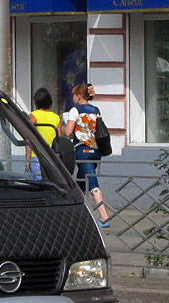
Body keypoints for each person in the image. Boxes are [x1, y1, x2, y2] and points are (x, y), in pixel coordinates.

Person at [62, 83, 110, 224]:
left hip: (82, 150)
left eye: (73, 95)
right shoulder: (96, 110)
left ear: (78, 96)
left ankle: (104, 215)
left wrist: (66, 125)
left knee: (92, 182)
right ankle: (78, 212)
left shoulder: (75, 110)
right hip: (96, 151)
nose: (72, 98)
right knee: (81, 182)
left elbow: (68, 132)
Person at [27, 87, 61, 180]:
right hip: (51, 155)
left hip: (36, 154)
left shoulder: (34, 115)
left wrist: (27, 158)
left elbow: (30, 136)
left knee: (38, 182)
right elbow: (59, 139)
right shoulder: (56, 117)